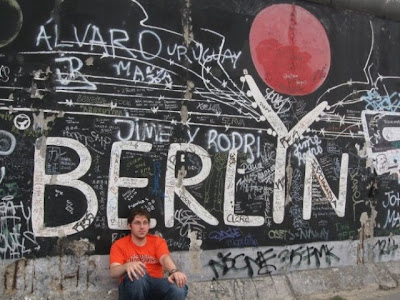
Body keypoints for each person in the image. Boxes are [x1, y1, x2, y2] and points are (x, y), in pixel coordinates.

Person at [109, 208, 188, 300]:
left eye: (145, 223)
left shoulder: (157, 242)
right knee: (137, 274)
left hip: (155, 284)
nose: (142, 227)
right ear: (129, 226)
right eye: (137, 223)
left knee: (179, 287)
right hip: (133, 288)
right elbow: (113, 272)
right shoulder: (119, 245)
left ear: (148, 225)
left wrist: (174, 272)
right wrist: (126, 266)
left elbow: (164, 258)